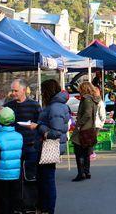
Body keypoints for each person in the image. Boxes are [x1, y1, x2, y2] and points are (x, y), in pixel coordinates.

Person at [36, 80, 71, 214]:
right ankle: (46, 208)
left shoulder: (55, 106)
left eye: (43, 90)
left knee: (47, 180)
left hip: (50, 146)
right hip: (52, 146)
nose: (41, 93)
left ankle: (48, 209)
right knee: (46, 179)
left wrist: (39, 127)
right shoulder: (58, 105)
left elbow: (55, 132)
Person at [0, 107, 23, 214]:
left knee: (2, 203)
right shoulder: (19, 136)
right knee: (12, 202)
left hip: (0, 176)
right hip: (15, 175)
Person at [71, 82, 100, 182]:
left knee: (79, 152)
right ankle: (87, 172)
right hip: (90, 128)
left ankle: (81, 173)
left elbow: (87, 113)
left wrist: (79, 124)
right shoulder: (93, 99)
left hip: (83, 129)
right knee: (86, 152)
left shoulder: (86, 99)